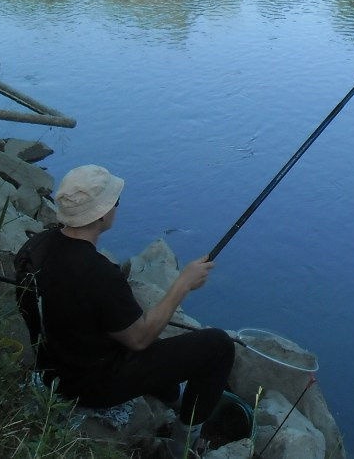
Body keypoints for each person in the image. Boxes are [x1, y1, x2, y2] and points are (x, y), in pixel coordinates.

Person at [15, 164, 234, 457]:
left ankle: (172, 398)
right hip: (88, 385)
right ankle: (184, 441)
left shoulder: (34, 246)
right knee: (218, 346)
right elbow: (139, 339)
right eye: (115, 202)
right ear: (103, 214)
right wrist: (182, 284)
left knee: (147, 336)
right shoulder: (98, 273)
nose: (116, 207)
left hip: (50, 367)